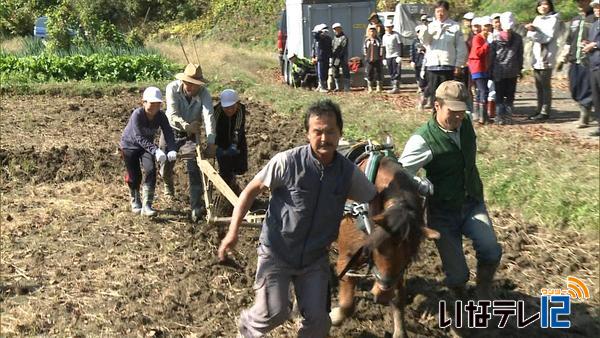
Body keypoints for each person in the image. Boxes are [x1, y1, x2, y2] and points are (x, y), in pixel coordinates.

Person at [218, 99, 377, 338]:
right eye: (318, 132)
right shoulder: (288, 162)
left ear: (340, 133)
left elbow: (374, 199)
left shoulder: (347, 172)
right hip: (277, 253)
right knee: (275, 313)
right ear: (307, 134)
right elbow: (251, 190)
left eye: (331, 131)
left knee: (319, 323)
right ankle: (246, 328)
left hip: (314, 259)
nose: (324, 138)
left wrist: (378, 235)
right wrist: (233, 231)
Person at [399, 80, 502, 300]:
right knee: (457, 274)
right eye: (452, 111)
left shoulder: (465, 123)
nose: (457, 117)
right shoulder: (422, 140)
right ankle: (460, 296)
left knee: (491, 249)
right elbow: (399, 171)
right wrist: (419, 184)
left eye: (461, 111)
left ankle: (483, 290)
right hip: (443, 213)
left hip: (472, 202)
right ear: (437, 106)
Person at [160, 63, 217, 222]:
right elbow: (171, 114)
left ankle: (196, 207)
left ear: (200, 85)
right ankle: (168, 184)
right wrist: (187, 125)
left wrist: (211, 141)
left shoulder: (204, 94)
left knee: (194, 168)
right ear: (183, 80)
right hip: (171, 131)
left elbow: (209, 116)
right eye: (188, 82)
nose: (190, 86)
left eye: (194, 84)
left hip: (191, 136)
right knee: (165, 164)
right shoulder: (172, 88)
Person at [120, 87, 177, 217]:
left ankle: (147, 205)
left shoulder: (161, 116)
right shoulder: (137, 114)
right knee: (135, 176)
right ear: (144, 102)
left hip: (146, 147)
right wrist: (156, 150)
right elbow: (138, 137)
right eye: (152, 103)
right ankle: (135, 200)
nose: (155, 107)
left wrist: (172, 148)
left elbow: (168, 132)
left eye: (158, 104)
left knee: (151, 170)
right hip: (130, 146)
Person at [419, 0, 467, 109]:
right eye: (437, 12)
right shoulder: (430, 26)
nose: (440, 14)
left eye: (443, 11)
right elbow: (425, 42)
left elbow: (461, 48)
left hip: (448, 65)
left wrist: (458, 65)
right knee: (434, 93)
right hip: (433, 65)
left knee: (448, 94)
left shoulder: (455, 27)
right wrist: (425, 29)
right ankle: (435, 114)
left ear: (447, 12)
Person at [557, 0, 594, 128]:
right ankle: (584, 110)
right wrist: (562, 58)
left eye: (583, 1)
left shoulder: (595, 18)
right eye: (578, 2)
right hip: (574, 60)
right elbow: (568, 41)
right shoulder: (575, 19)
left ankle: (584, 116)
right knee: (574, 88)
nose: (579, 4)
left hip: (588, 60)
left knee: (586, 88)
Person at [526, 0, 560, 121]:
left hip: (546, 55)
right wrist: (532, 31)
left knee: (545, 85)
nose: (543, 7)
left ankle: (545, 110)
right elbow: (532, 36)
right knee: (538, 85)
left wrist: (532, 31)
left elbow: (547, 37)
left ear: (550, 6)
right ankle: (539, 109)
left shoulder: (554, 19)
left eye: (545, 4)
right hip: (536, 56)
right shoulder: (538, 18)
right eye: (540, 5)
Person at [490, 12, 524, 125]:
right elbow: (520, 56)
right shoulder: (518, 38)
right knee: (509, 95)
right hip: (513, 70)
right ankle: (508, 117)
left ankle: (500, 118)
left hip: (499, 70)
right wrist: (520, 69)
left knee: (499, 95)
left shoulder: (494, 37)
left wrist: (490, 70)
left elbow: (491, 56)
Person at [214, 89, 248, 193]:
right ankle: (228, 190)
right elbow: (212, 128)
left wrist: (234, 145)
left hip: (238, 139)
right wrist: (214, 145)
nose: (229, 110)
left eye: (232, 107)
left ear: (237, 103)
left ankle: (235, 184)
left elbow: (238, 128)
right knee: (225, 170)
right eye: (226, 108)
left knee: (240, 167)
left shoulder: (241, 110)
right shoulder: (217, 110)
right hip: (221, 139)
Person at [468, 16, 492, 124]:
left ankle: (478, 116)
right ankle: (482, 117)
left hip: (485, 67)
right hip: (477, 67)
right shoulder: (477, 38)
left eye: (489, 26)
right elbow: (478, 53)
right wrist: (487, 44)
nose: (487, 28)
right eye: (485, 26)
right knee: (483, 90)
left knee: (479, 92)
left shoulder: (486, 38)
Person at [582, 0, 600, 136]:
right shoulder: (594, 24)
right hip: (593, 63)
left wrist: (594, 45)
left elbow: (596, 43)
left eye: (599, 7)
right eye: (595, 8)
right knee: (596, 95)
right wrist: (587, 43)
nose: (597, 10)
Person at [382, 19, 403, 93]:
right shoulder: (384, 36)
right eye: (387, 27)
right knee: (391, 71)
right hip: (388, 56)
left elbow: (400, 45)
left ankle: (396, 87)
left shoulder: (396, 35)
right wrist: (384, 58)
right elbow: (384, 47)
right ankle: (393, 85)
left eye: (390, 27)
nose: (388, 28)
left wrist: (400, 56)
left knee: (396, 71)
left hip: (396, 55)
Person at [312, 24, 333, 92]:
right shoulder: (316, 39)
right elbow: (313, 48)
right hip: (317, 59)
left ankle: (323, 87)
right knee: (318, 72)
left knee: (324, 73)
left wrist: (330, 57)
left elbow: (329, 49)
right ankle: (320, 86)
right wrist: (313, 57)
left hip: (324, 58)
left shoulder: (328, 39)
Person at [411, 22, 428, 106]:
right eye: (418, 32)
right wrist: (412, 60)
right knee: (419, 75)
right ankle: (420, 89)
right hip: (418, 61)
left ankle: (427, 98)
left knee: (426, 78)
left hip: (427, 63)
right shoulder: (415, 41)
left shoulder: (428, 41)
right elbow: (412, 51)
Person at [364, 24, 384, 92]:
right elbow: (365, 49)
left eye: (373, 31)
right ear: (368, 32)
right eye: (370, 31)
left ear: (376, 32)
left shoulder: (378, 40)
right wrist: (366, 57)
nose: (372, 33)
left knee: (378, 72)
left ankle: (379, 86)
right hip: (369, 59)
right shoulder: (367, 40)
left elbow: (381, 48)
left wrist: (381, 57)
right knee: (369, 72)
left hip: (377, 59)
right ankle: (370, 87)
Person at [331, 23, 351, 92]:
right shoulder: (334, 38)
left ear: (341, 29)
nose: (337, 30)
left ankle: (347, 87)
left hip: (342, 57)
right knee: (335, 70)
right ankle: (338, 87)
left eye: (338, 28)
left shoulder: (344, 37)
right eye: (335, 29)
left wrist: (338, 56)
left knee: (345, 70)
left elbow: (343, 48)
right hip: (335, 58)